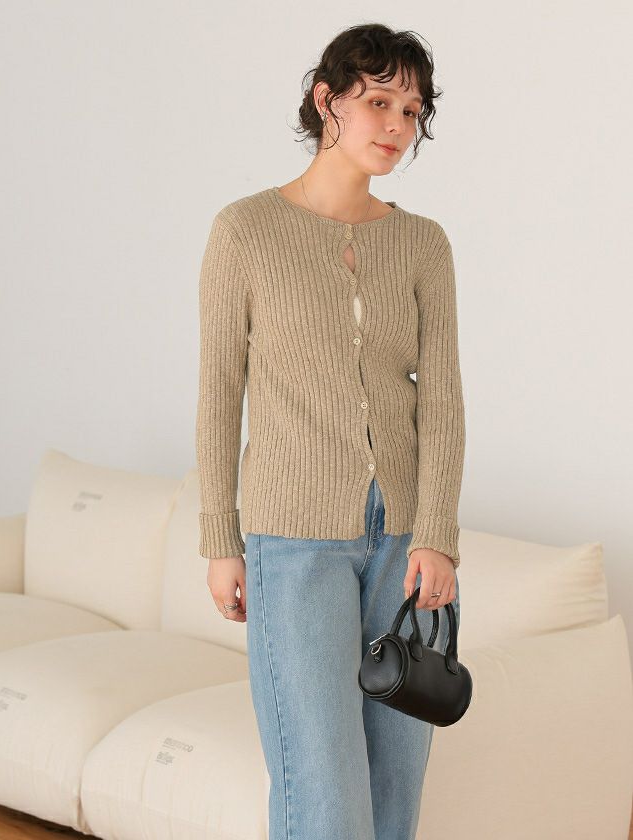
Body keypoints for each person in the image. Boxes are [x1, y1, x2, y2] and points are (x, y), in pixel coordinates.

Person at [195, 22, 465, 840]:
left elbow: (443, 399)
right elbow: (219, 392)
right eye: (378, 101)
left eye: (411, 111)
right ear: (326, 100)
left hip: (406, 545)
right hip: (294, 542)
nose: (396, 126)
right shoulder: (245, 231)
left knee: (394, 789)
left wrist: (438, 534)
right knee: (323, 787)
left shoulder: (422, 244)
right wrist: (221, 540)